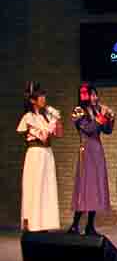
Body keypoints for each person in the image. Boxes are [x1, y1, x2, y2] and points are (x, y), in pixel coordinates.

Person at [68, 83, 115, 235]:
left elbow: (107, 131)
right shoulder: (78, 111)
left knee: (96, 186)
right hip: (86, 150)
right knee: (85, 186)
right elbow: (89, 129)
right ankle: (75, 224)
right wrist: (101, 117)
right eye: (93, 95)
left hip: (97, 150)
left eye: (96, 94)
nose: (96, 98)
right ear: (86, 96)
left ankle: (90, 225)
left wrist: (110, 117)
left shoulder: (96, 111)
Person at [16, 81, 62, 231]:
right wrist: (52, 122)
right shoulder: (28, 117)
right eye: (40, 96)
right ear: (32, 100)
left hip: (47, 154)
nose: (44, 98)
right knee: (35, 188)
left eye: (44, 95)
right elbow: (42, 136)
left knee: (47, 187)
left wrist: (56, 119)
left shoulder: (44, 116)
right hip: (35, 154)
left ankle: (45, 223)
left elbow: (59, 134)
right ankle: (33, 224)